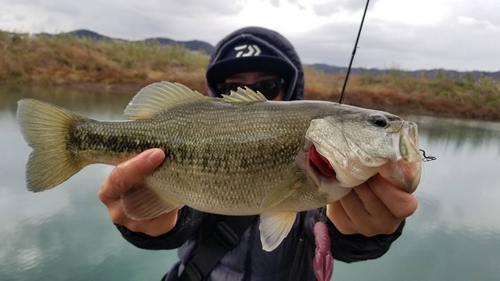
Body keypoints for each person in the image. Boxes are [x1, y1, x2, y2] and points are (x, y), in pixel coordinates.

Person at [98, 26, 418, 280]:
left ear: (291, 93)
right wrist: (146, 224)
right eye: (229, 89)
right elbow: (181, 221)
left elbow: (324, 227)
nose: (257, 99)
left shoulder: (325, 177)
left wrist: (362, 232)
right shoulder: (197, 134)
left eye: (268, 87)